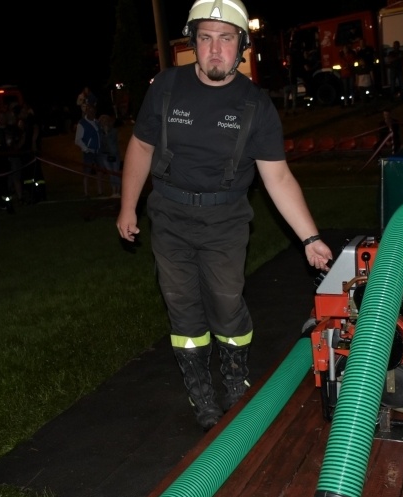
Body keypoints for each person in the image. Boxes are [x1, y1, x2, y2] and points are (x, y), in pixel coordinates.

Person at [115, 0, 333, 431]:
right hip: (170, 216)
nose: (215, 50)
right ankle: (202, 393)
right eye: (206, 38)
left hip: (226, 219)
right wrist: (128, 206)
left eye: (226, 39)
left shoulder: (256, 106)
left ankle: (235, 382)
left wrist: (310, 239)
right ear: (193, 43)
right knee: (182, 308)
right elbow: (141, 147)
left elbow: (279, 178)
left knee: (227, 303)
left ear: (242, 46)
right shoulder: (167, 88)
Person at [75, 102, 103, 197]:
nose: (92, 113)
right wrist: (86, 149)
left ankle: (100, 191)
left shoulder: (96, 122)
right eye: (90, 111)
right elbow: (78, 140)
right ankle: (86, 193)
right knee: (86, 172)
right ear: (87, 111)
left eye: (93, 111)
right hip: (89, 151)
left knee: (99, 172)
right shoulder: (82, 124)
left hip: (97, 151)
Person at [98, 113, 122, 197]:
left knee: (115, 172)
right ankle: (113, 191)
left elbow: (112, 144)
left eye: (105, 121)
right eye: (102, 121)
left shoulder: (114, 131)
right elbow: (101, 145)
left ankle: (118, 191)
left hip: (114, 155)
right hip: (105, 155)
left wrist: (107, 133)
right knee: (111, 173)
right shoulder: (100, 133)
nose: (104, 123)